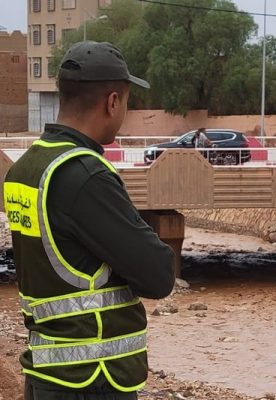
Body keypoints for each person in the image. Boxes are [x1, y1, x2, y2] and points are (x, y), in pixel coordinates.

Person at [4, 41, 175, 400]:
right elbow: (158, 275)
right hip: (92, 379)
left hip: (47, 375)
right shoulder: (85, 176)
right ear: (112, 102)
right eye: (126, 101)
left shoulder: (25, 169)